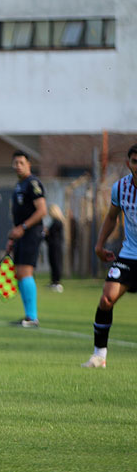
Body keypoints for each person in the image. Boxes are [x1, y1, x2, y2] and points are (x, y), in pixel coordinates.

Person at [81, 144, 137, 369]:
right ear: (128, 163)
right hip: (129, 255)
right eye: (135, 161)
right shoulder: (120, 188)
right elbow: (112, 217)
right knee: (106, 299)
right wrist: (99, 244)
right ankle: (99, 356)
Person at [6, 150, 47, 327]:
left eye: (21, 162)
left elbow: (42, 210)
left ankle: (32, 317)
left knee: (25, 272)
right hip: (21, 234)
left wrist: (23, 227)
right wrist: (13, 236)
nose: (18, 166)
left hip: (31, 233)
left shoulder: (33, 183)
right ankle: (28, 316)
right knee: (19, 272)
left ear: (29, 164)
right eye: (15, 163)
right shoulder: (19, 185)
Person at [44, 204, 65, 293]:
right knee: (52, 262)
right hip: (52, 245)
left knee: (56, 263)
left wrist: (47, 233)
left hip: (55, 246)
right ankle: (53, 281)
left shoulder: (57, 222)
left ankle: (57, 282)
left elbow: (53, 235)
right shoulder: (54, 222)